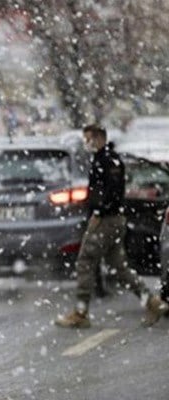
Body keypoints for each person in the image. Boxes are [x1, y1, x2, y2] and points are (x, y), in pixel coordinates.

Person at [55, 125, 169, 329]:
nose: (86, 143)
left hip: (106, 220)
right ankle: (151, 302)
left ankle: (81, 312)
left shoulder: (107, 160)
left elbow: (111, 193)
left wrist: (98, 213)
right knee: (119, 267)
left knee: (85, 261)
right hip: (112, 219)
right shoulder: (104, 158)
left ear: (98, 138)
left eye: (88, 139)